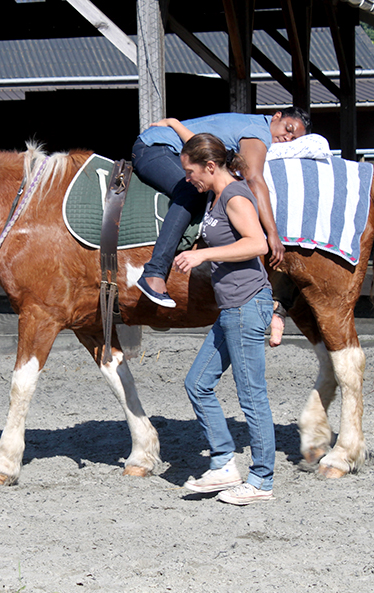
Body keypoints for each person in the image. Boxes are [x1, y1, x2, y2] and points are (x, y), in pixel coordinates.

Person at [131, 108, 311, 345]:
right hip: (155, 150)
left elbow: (203, 144)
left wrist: (175, 123)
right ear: (276, 116)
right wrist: (273, 233)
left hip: (174, 147)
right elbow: (254, 179)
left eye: (294, 138)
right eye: (288, 129)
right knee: (191, 190)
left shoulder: (250, 125)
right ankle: (155, 271)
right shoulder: (256, 133)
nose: (287, 138)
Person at [175, 134, 276, 505]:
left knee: (252, 396)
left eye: (191, 171)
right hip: (232, 308)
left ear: (210, 167)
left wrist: (203, 256)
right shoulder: (216, 197)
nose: (189, 178)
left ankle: (262, 480)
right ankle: (223, 463)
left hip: (246, 305)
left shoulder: (234, 195)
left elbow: (258, 244)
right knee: (197, 383)